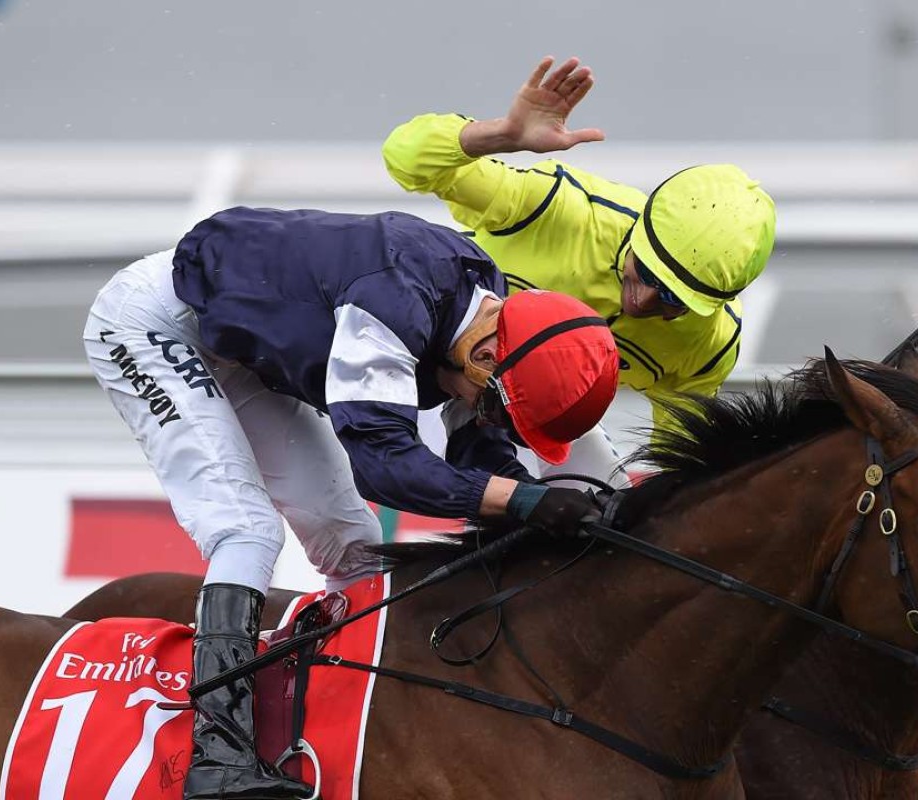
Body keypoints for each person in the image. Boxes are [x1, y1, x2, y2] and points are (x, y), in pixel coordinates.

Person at [83, 206, 618, 800]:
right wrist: (524, 501)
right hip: (154, 324)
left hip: (246, 348)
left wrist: (544, 511)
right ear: (487, 356)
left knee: (357, 549)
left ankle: (358, 713)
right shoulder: (394, 303)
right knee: (248, 532)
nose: (487, 414)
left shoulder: (490, 323)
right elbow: (383, 466)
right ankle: (218, 750)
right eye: (495, 404)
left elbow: (478, 456)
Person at [383, 55, 777, 485]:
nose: (641, 300)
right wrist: (503, 134)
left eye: (672, 300)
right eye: (645, 270)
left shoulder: (708, 344)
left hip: (534, 416)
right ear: (638, 229)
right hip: (419, 366)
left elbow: (680, 466)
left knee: (613, 517)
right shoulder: (559, 209)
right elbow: (403, 157)